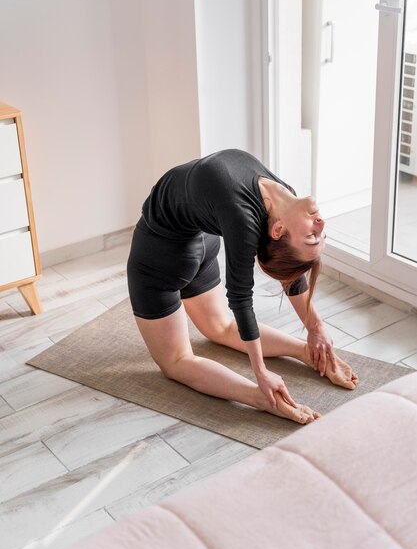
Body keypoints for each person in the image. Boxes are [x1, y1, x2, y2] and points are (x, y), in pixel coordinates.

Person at [127, 149, 358, 425]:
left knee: (176, 361)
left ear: (278, 231)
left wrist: (264, 370)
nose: (321, 225)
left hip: (160, 256)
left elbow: (242, 298)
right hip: (200, 242)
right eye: (319, 236)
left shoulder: (248, 216)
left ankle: (262, 397)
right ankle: (299, 355)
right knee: (220, 327)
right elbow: (280, 271)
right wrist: (311, 331)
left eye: (312, 236)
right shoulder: (285, 197)